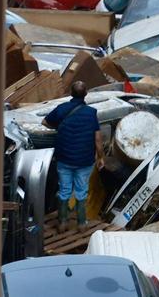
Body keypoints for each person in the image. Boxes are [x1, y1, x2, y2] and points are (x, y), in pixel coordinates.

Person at [42, 80, 102, 232]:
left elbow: (45, 122)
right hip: (85, 160)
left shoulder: (62, 109)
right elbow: (98, 139)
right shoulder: (91, 113)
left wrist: (60, 126)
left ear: (71, 93)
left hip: (65, 159)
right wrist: (101, 157)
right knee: (82, 191)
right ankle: (82, 224)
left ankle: (63, 223)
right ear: (86, 94)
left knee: (64, 191)